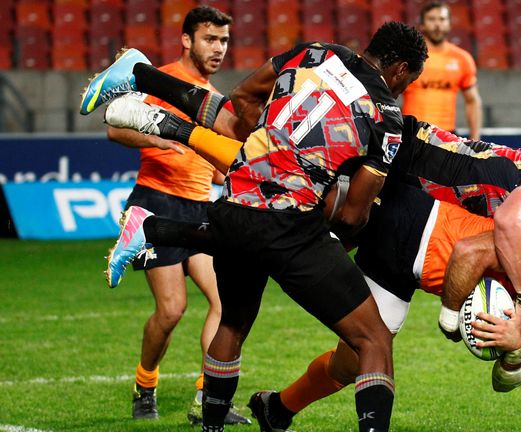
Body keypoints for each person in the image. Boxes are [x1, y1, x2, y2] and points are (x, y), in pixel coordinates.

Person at [87, 22, 428, 432]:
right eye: (408, 81)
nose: (404, 89)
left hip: (233, 205)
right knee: (373, 339)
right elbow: (354, 215)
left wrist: (266, 149)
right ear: (399, 69)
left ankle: (211, 428)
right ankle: (154, 196)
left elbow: (242, 98)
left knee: (232, 323)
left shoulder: (315, 52)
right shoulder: (388, 117)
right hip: (290, 224)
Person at [244, 181, 521, 431]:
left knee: (357, 358)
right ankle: (204, 147)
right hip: (413, 217)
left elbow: (512, 375)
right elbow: (473, 250)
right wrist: (451, 317)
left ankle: (277, 409)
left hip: (405, 271)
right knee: (288, 192)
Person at [99, 6, 248, 425]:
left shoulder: (214, 99)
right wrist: (162, 142)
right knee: (171, 310)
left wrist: (230, 175)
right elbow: (115, 126)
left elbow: (217, 158)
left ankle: (207, 398)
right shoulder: (164, 82)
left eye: (223, 40)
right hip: (157, 202)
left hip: (201, 207)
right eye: (209, 39)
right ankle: (145, 386)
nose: (219, 48)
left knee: (227, 303)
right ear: (187, 40)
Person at [402, 1, 483, 140]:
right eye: (432, 19)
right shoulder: (409, 56)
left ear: (450, 24)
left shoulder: (462, 59)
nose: (437, 24)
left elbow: (472, 101)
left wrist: (475, 138)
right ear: (422, 24)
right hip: (411, 133)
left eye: (442, 19)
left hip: (446, 136)